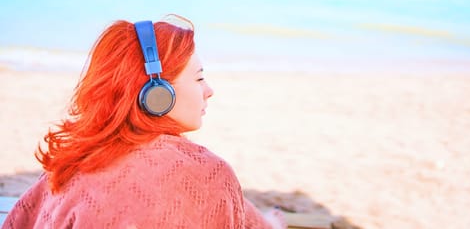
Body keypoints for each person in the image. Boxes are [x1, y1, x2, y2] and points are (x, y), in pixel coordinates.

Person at [2, 14, 286, 229]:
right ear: (158, 93)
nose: (209, 90)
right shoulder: (208, 171)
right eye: (199, 78)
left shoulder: (71, 163)